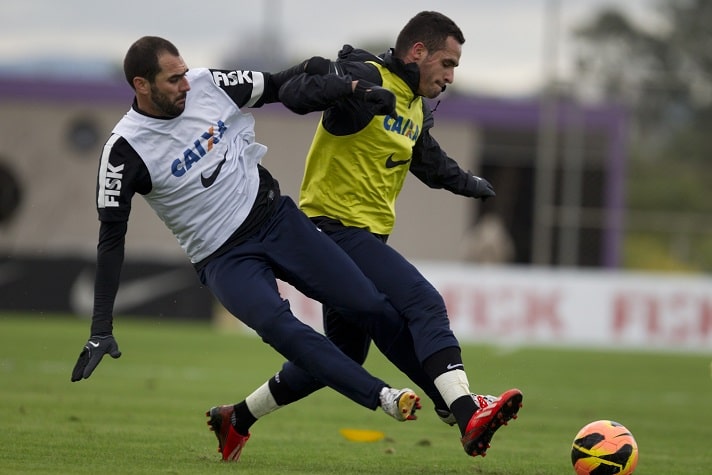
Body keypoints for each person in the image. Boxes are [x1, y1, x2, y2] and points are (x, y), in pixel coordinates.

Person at [69, 36, 431, 460]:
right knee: (286, 331)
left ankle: (452, 402)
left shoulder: (207, 84)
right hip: (225, 258)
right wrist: (100, 329)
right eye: (173, 79)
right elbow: (111, 242)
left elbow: (281, 85)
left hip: (277, 220)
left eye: (185, 73)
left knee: (370, 306)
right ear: (141, 85)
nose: (186, 85)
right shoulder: (123, 151)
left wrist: (349, 88)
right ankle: (385, 397)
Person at [219, 10, 523, 461]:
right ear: (418, 52)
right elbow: (299, 94)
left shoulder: (414, 104)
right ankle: (463, 409)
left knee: (343, 357)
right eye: (448, 63)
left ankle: (237, 418)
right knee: (422, 303)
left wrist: (467, 182)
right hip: (332, 230)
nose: (451, 76)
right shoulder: (366, 75)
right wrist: (348, 87)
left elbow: (428, 160)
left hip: (365, 238)